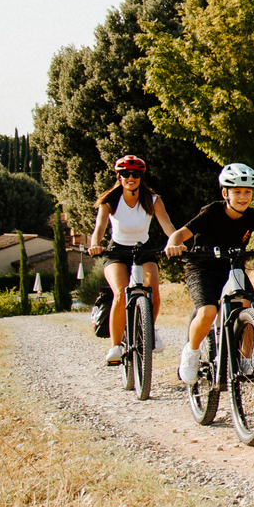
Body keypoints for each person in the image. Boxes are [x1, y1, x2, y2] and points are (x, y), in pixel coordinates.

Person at [165, 163, 254, 382]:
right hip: (202, 267)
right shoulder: (211, 212)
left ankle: (245, 359)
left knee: (248, 305)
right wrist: (173, 245)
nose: (242, 197)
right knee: (208, 312)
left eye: (247, 192)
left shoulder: (253, 217)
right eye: (237, 192)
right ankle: (191, 352)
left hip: (232, 266)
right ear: (225, 193)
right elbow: (179, 235)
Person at [87, 155, 181, 366]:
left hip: (143, 250)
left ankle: (150, 330)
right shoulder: (110, 201)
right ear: (119, 177)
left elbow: (167, 225)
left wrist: (175, 242)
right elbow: (99, 228)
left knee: (153, 289)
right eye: (126, 174)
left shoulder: (152, 200)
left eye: (136, 174)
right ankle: (116, 345)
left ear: (141, 177)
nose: (131, 177)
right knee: (120, 293)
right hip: (117, 253)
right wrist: (95, 244)